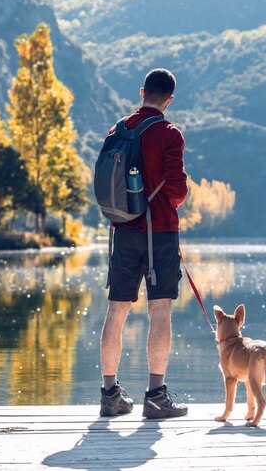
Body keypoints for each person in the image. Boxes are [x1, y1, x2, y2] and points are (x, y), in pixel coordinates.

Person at [99, 68, 189, 419]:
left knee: (117, 310)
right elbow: (177, 190)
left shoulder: (118, 129)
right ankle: (155, 396)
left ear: (141, 92)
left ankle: (110, 395)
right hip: (160, 233)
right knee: (160, 311)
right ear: (169, 99)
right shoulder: (169, 134)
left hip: (121, 230)